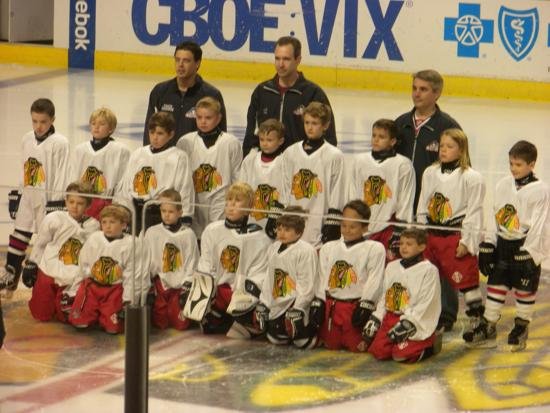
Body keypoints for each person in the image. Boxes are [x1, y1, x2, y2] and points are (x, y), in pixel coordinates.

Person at [464, 140, 550, 352]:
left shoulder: (541, 190)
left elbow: (542, 224)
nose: (513, 168)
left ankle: (521, 325)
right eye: (511, 163)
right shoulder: (503, 184)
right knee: (496, 283)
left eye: (518, 164)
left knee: (524, 288)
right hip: (503, 244)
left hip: (523, 246)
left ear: (532, 164)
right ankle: (489, 323)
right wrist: (488, 243)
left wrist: (530, 253)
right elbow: (495, 214)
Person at [416, 129, 485, 334]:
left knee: (467, 281)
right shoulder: (430, 172)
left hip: (455, 236)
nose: (443, 150)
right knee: (430, 279)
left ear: (461, 150)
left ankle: (477, 321)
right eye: (442, 146)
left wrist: (467, 241)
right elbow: (422, 205)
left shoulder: (472, 177)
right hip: (431, 235)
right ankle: (433, 318)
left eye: (450, 146)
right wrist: (420, 232)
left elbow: (474, 212)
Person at [1, 98, 70, 297]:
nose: (38, 126)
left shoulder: (60, 143)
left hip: (47, 199)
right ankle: (11, 275)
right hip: (29, 194)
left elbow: (63, 173)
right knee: (19, 233)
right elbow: (25, 167)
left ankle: (42, 285)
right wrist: (18, 193)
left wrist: (56, 203)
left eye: (43, 122)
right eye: (35, 121)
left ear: (52, 120)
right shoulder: (26, 139)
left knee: (46, 240)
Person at [190, 182, 271, 337]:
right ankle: (219, 313)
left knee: (238, 334)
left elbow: (259, 275)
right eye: (229, 200)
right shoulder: (212, 231)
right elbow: (206, 265)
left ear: (249, 207)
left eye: (238, 201)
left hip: (242, 295)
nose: (231, 205)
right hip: (219, 293)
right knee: (207, 327)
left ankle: (243, 320)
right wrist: (205, 294)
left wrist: (244, 296)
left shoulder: (261, 239)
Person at [242, 36, 337, 156]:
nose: (280, 64)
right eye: (277, 58)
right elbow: (251, 134)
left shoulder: (313, 93)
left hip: (300, 163)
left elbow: (328, 137)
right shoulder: (262, 91)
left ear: (298, 60)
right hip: (267, 164)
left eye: (286, 59)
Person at [22, 182, 100, 322]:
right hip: (49, 270)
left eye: (80, 203)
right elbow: (40, 243)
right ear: (66, 201)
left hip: (73, 276)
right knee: (41, 315)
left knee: (67, 318)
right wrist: (32, 264)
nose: (75, 206)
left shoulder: (94, 225)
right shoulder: (54, 218)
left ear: (88, 205)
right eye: (71, 201)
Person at [68, 205, 150, 334]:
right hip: (92, 287)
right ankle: (92, 314)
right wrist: (74, 290)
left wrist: (128, 301)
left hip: (114, 290)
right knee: (79, 321)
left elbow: (134, 275)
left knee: (113, 328)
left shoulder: (133, 244)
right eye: (104, 222)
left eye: (112, 222)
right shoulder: (94, 238)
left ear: (124, 225)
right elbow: (83, 265)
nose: (107, 226)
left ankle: (103, 315)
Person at [364, 228, 442, 362]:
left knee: (400, 355)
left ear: (422, 247)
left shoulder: (429, 270)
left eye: (409, 244)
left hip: (414, 320)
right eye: (401, 243)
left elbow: (427, 302)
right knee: (379, 352)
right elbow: (384, 296)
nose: (404, 247)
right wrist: (377, 317)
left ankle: (431, 343)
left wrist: (408, 324)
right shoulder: (391, 266)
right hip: (391, 318)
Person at [318, 200, 386, 352]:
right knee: (330, 345)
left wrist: (366, 304)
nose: (347, 230)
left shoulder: (374, 248)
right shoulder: (328, 248)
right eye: (343, 225)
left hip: (354, 308)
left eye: (353, 227)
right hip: (332, 307)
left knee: (357, 348)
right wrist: (320, 301)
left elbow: (375, 279)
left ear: (365, 227)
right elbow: (322, 278)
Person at [256, 206, 323, 349]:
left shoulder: (306, 251)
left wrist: (299, 308)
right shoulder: (273, 248)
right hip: (278, 301)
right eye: (279, 229)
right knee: (275, 338)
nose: (281, 233)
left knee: (302, 342)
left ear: (299, 231)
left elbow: (307, 284)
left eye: (287, 230)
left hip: (295, 301)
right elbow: (269, 279)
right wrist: (264, 302)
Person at [394, 69, 461, 213]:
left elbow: (461, 171)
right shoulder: (400, 124)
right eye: (414, 88)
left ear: (437, 94)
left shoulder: (449, 127)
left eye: (423, 89)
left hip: (432, 206)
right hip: (399, 203)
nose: (416, 94)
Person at [348, 119, 415, 261]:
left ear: (392, 141)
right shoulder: (359, 161)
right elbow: (353, 193)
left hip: (388, 228)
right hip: (362, 226)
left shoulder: (403, 165)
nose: (376, 140)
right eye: (374, 135)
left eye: (382, 137)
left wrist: (400, 230)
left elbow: (406, 200)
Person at [117, 111, 194, 234]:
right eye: (152, 132)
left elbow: (185, 188)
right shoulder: (138, 153)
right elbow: (126, 185)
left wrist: (185, 216)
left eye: (160, 133)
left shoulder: (179, 157)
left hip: (160, 213)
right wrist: (122, 209)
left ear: (171, 134)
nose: (155, 137)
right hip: (135, 212)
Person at [177, 97, 242, 239]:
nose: (203, 122)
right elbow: (180, 178)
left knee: (217, 239)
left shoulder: (231, 143)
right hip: (194, 201)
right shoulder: (185, 142)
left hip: (220, 202)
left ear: (218, 118)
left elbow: (237, 177)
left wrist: (235, 205)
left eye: (208, 118)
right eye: (199, 117)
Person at [282, 102, 344, 247]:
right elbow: (285, 186)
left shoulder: (334, 155)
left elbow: (337, 190)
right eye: (307, 122)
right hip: (292, 219)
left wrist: (333, 221)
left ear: (325, 125)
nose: (310, 127)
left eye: (315, 123)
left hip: (319, 221)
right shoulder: (290, 152)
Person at [143, 41, 227, 146]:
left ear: (197, 63)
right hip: (166, 155)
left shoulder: (211, 95)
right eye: (177, 60)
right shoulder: (160, 91)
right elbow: (150, 128)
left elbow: (221, 136)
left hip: (197, 156)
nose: (180, 65)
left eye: (186, 61)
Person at [144, 189, 199, 330]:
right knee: (159, 323)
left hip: (180, 286)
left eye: (171, 211)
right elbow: (147, 262)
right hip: (161, 285)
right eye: (163, 211)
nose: (166, 215)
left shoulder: (188, 234)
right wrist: (148, 286)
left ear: (180, 212)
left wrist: (187, 286)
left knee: (181, 324)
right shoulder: (152, 232)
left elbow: (192, 263)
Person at [70, 107, 130, 220]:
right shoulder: (80, 150)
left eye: (101, 124)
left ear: (111, 128)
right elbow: (73, 178)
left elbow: (123, 182)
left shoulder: (121, 151)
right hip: (82, 203)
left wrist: (118, 206)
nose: (96, 127)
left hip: (107, 205)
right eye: (93, 123)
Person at [238, 118, 288, 238]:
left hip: (274, 221)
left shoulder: (285, 162)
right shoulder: (250, 160)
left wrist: (277, 214)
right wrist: (242, 215)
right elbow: (241, 189)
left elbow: (287, 193)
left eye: (269, 140)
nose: (265, 143)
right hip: (251, 219)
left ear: (281, 141)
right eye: (262, 139)